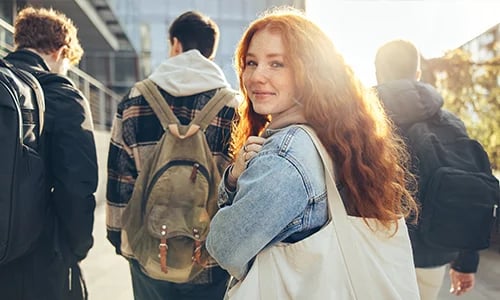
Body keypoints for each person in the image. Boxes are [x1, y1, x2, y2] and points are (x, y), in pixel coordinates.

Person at [205, 7, 418, 295]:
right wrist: (235, 178)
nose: (256, 76)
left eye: (277, 64)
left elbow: (225, 247)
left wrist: (231, 184)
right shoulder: (334, 135)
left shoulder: (285, 156)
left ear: (310, 71)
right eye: (251, 63)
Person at [106, 11, 238, 300]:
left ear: (175, 45)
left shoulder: (134, 100)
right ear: (210, 53)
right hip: (209, 256)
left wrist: (119, 237)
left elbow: (119, 179)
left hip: (148, 250)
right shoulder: (232, 107)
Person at [0, 6, 98, 300]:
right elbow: (77, 186)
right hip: (42, 263)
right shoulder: (62, 93)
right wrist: (76, 249)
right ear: (61, 51)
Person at [374, 39, 478, 299]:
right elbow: (468, 192)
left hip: (375, 251)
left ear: (377, 73)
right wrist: (465, 262)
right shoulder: (450, 122)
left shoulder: (360, 121)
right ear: (417, 75)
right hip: (433, 252)